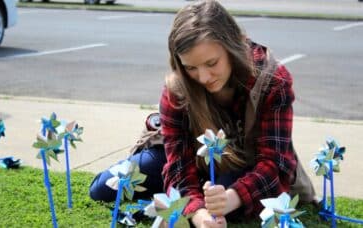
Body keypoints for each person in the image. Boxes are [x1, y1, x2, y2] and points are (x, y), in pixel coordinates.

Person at [89, 0, 316, 227]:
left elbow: (274, 164)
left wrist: (229, 200)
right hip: (189, 159)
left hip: (242, 166)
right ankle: (175, 195)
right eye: (191, 68)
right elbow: (177, 163)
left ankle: (182, 195)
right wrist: (197, 212)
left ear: (231, 47)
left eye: (212, 63)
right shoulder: (176, 88)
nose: (204, 77)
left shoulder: (273, 81)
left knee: (223, 200)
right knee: (104, 188)